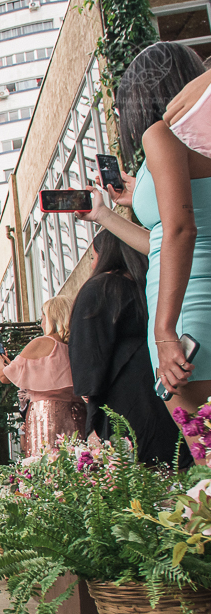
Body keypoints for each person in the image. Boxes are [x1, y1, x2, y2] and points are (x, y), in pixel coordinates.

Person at [112, 43, 211, 457]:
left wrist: (164, 332)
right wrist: (107, 217)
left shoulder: (162, 134)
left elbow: (180, 230)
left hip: (186, 311)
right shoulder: (200, 136)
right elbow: (164, 238)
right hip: (193, 301)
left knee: (207, 459)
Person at [70, 230, 193, 466]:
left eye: (93, 257)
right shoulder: (152, 288)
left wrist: (91, 415)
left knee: (137, 479)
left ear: (105, 255)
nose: (93, 264)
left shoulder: (101, 287)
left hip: (124, 399)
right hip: (167, 388)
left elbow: (88, 356)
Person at [0, 296, 85, 456]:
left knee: (47, 466)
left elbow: (4, 376)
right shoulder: (78, 346)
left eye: (43, 316)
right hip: (78, 413)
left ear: (52, 318)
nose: (41, 322)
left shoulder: (43, 343)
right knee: (77, 465)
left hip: (47, 414)